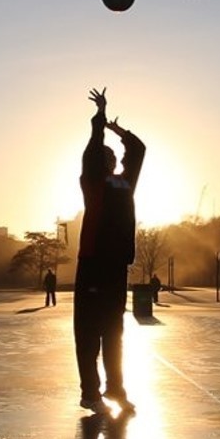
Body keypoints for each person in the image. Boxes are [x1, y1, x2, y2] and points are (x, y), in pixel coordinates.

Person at [74, 87, 145, 415]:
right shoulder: (91, 181)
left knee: (113, 332)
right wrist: (100, 120)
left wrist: (119, 131)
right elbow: (90, 152)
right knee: (89, 332)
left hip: (116, 266)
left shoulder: (125, 182)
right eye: (106, 156)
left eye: (112, 156)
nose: (111, 158)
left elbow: (138, 149)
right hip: (92, 264)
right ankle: (91, 393)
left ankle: (115, 388)